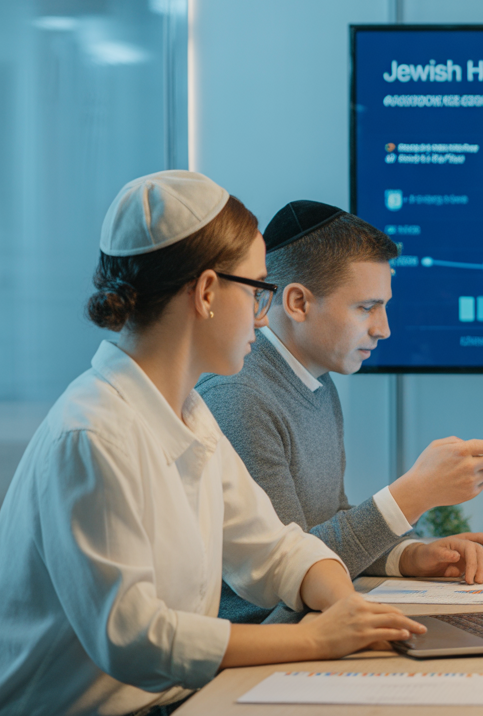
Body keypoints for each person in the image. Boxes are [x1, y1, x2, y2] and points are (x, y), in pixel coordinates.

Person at [0, 172, 426, 715]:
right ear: (206, 293)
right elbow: (135, 640)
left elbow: (274, 549)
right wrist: (316, 639)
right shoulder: (93, 434)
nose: (262, 313)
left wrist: (351, 612)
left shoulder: (190, 414)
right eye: (256, 290)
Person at [197, 200, 483, 625]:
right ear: (297, 302)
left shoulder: (316, 381)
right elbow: (289, 574)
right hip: (266, 641)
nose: (383, 328)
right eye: (366, 307)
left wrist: (409, 555)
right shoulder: (238, 398)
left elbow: (327, 528)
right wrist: (413, 494)